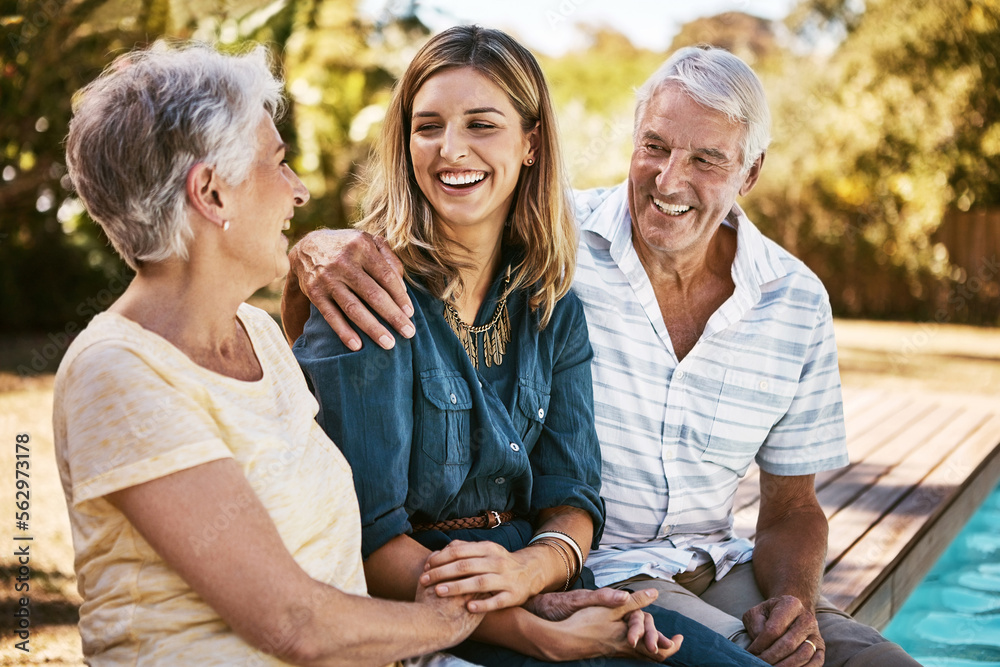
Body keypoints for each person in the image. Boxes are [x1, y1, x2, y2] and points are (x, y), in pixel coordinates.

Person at [282, 44, 922, 667]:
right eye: (655, 146)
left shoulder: (788, 299)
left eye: (706, 159)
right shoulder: (554, 251)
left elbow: (792, 507)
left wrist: (792, 605)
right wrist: (310, 246)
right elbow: (367, 528)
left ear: (749, 173)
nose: (670, 179)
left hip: (703, 564)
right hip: (597, 571)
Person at [54, 41, 487, 666]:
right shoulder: (117, 372)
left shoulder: (258, 335)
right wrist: (450, 620)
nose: (299, 190)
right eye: (277, 163)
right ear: (211, 192)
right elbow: (293, 624)